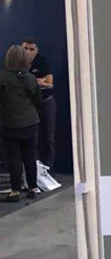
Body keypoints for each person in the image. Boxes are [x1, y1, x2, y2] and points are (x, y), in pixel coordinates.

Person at [1, 44, 41, 201]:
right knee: (30, 155)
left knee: (14, 157)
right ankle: (32, 188)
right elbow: (38, 100)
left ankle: (15, 190)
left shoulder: (2, 79)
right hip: (31, 122)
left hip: (10, 123)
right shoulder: (31, 78)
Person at [22, 38, 56, 170]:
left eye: (31, 49)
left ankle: (49, 167)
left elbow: (49, 83)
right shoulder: (17, 63)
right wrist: (38, 81)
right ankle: (33, 167)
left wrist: (30, 82)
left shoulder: (42, 62)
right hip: (29, 104)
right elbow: (17, 83)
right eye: (25, 49)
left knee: (49, 136)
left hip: (46, 102)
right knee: (31, 137)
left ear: (36, 50)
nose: (28, 52)